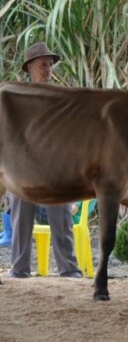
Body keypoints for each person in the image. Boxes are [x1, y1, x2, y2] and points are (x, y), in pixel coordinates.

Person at [7, 42, 82, 278]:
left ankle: (69, 269)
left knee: (61, 218)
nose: (49, 69)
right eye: (43, 65)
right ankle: (19, 270)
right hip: (23, 165)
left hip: (54, 165)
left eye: (50, 65)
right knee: (20, 219)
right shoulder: (16, 96)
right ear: (30, 67)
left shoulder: (61, 96)